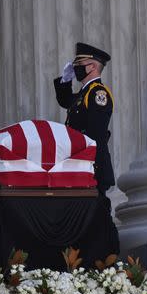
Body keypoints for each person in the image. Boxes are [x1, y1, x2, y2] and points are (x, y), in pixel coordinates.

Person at [53, 42, 114, 194]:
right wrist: (65, 81)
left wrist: (87, 164)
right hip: (80, 163)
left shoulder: (98, 93)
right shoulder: (84, 93)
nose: (75, 68)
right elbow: (65, 101)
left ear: (92, 66)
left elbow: (95, 133)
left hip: (92, 166)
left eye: (79, 64)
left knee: (97, 212)